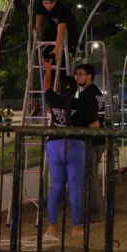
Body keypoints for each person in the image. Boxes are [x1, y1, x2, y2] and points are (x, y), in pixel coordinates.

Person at [44, 74, 89, 235]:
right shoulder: (81, 104)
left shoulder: (54, 99)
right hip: (75, 145)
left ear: (60, 89)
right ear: (76, 88)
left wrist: (48, 70)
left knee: (56, 185)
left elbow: (46, 86)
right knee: (75, 187)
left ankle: (52, 224)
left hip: (54, 144)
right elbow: (89, 124)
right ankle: (76, 226)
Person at [75, 63, 106, 223]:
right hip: (99, 139)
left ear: (90, 76)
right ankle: (93, 210)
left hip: (91, 140)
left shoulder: (86, 95)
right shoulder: (97, 93)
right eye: (77, 74)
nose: (77, 77)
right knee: (91, 175)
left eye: (81, 74)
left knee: (90, 177)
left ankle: (94, 211)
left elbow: (94, 122)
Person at [35, 0, 76, 92]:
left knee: (60, 59)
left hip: (69, 29)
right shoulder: (40, 5)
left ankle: (63, 87)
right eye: (46, 3)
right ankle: (49, 77)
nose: (48, 6)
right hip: (52, 26)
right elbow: (40, 15)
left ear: (55, 1)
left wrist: (57, 48)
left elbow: (61, 32)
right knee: (48, 46)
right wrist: (37, 26)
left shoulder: (61, 9)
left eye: (51, 3)